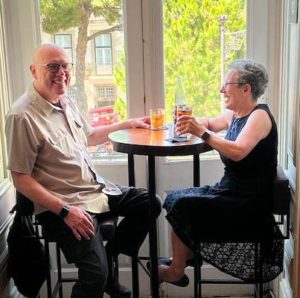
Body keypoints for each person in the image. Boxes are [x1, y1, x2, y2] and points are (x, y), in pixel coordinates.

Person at [5, 43, 161, 298]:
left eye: (65, 65)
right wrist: (66, 211)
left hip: (94, 191)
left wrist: (127, 123)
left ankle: (109, 263)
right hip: (63, 206)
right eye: (52, 66)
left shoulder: (65, 100)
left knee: (149, 203)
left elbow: (89, 136)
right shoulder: (22, 116)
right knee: (94, 274)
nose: (61, 72)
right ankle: (104, 273)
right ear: (34, 71)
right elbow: (20, 179)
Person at [158, 59, 282, 285]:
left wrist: (202, 132)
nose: (221, 89)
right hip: (230, 190)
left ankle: (176, 270)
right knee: (175, 197)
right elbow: (212, 123)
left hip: (248, 201)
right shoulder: (235, 114)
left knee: (183, 205)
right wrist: (193, 122)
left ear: (246, 89)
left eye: (227, 84)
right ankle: (186, 257)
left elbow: (238, 151)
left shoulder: (259, 116)